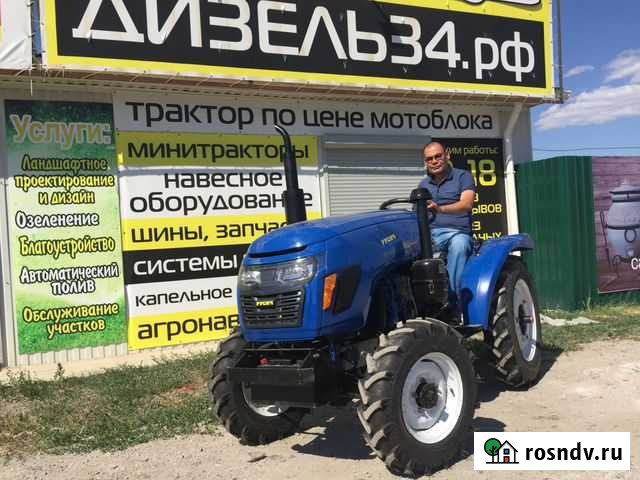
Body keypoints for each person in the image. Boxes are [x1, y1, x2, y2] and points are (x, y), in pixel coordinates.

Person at [418, 141, 476, 309]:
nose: (434, 161)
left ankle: (452, 302)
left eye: (438, 156)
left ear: (447, 155)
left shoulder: (463, 176)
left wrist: (440, 209)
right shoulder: (423, 184)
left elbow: (467, 204)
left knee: (459, 245)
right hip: (431, 234)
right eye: (429, 159)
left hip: (456, 232)